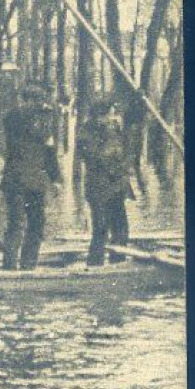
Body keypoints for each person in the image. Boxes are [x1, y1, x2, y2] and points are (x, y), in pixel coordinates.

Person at [0, 81, 61, 270]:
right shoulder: (18, 118)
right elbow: (43, 142)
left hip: (30, 181)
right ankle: (13, 268)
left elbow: (49, 152)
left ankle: (25, 266)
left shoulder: (37, 120)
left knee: (33, 224)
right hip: (21, 180)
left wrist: (55, 178)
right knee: (19, 225)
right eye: (36, 100)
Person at [77, 96, 132, 266]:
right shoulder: (87, 132)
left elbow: (124, 151)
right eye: (109, 114)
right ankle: (95, 264)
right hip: (99, 188)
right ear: (99, 115)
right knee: (101, 229)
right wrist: (116, 168)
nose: (112, 118)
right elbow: (96, 157)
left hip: (116, 187)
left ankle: (118, 263)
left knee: (121, 229)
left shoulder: (114, 129)